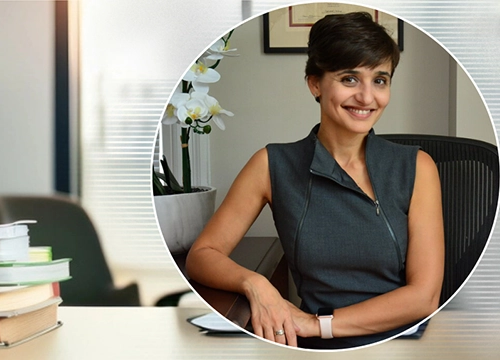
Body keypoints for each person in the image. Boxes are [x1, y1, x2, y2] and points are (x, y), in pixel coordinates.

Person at [185, 12, 444, 349]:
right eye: (350, 79)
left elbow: (424, 297)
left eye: (380, 80)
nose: (367, 98)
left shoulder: (417, 167)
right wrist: (256, 284)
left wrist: (316, 325)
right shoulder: (272, 164)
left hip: (399, 341)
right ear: (315, 84)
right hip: (312, 345)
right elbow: (202, 254)